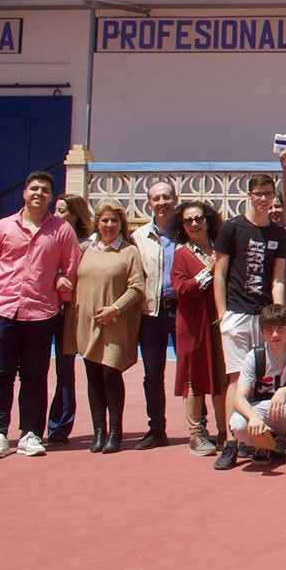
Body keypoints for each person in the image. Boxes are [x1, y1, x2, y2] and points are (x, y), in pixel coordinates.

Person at [0, 172, 82, 460]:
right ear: (24, 193)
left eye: (46, 190)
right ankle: (0, 434)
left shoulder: (61, 231)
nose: (39, 193)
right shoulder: (1, 228)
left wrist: (60, 291)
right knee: (1, 375)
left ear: (51, 196)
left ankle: (30, 434)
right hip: (3, 310)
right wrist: (4, 290)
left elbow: (70, 268)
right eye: (34, 188)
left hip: (41, 312)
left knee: (34, 376)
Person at [211, 171, 286, 469]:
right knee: (236, 377)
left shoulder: (278, 233)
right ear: (249, 195)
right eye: (258, 193)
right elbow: (220, 272)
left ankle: (260, 440)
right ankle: (232, 442)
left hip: (265, 317)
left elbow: (278, 279)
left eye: (268, 194)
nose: (263, 199)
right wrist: (222, 315)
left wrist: (280, 317)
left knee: (264, 379)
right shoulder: (232, 227)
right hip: (236, 315)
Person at [66, 201, 146, 453]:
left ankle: (116, 431)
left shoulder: (128, 252)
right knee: (93, 376)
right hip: (86, 323)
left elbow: (137, 287)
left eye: (114, 221)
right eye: (104, 221)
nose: (109, 226)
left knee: (111, 373)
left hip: (115, 324)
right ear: (96, 223)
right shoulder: (85, 249)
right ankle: (98, 430)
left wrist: (115, 309)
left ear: (121, 223)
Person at [168, 200, 228, 457]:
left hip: (218, 320)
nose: (194, 224)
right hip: (193, 323)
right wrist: (209, 271)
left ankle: (225, 431)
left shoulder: (221, 249)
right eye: (188, 220)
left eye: (199, 218)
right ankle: (196, 433)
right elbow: (182, 289)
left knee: (221, 375)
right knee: (193, 377)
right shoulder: (182, 254)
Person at [229, 303, 286, 468]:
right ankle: (263, 446)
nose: (275, 335)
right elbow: (238, 398)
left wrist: (284, 391)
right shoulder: (254, 356)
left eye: (280, 328)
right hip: (264, 409)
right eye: (268, 330)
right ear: (262, 333)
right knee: (237, 423)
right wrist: (253, 418)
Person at [130, 180, 177, 450]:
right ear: (149, 203)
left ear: (175, 198)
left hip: (182, 311)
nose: (162, 202)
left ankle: (201, 428)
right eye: (156, 198)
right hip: (152, 312)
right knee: (152, 373)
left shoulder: (187, 231)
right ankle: (156, 428)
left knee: (192, 373)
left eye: (166, 197)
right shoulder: (138, 238)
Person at [46, 192, 92, 445]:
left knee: (66, 370)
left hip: (72, 314)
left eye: (62, 211)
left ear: (75, 214)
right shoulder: (49, 239)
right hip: (45, 310)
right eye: (56, 210)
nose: (56, 215)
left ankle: (59, 428)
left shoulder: (89, 243)